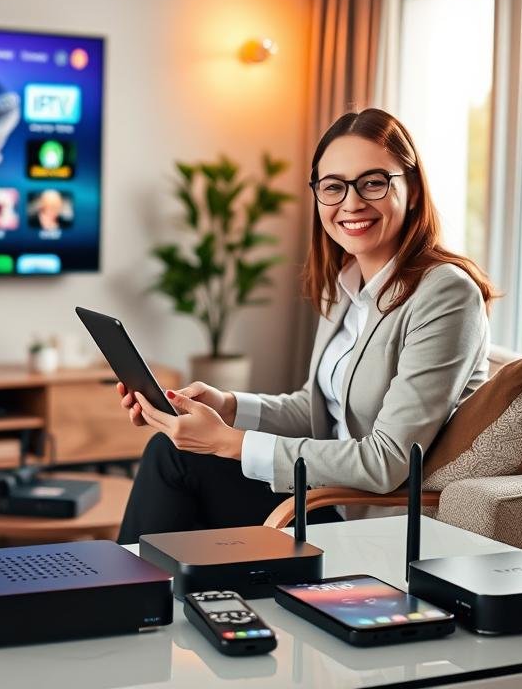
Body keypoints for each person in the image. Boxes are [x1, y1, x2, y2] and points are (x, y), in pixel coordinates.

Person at [115, 108, 496, 544]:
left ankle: (129, 605)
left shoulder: (446, 294)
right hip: (323, 495)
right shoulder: (347, 284)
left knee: (177, 460)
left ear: (411, 191)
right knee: (173, 454)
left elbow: (387, 460)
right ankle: (152, 603)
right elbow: (317, 411)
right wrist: (228, 406)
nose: (351, 203)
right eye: (333, 187)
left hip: (372, 519)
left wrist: (228, 443)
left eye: (373, 182)